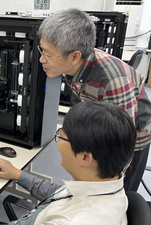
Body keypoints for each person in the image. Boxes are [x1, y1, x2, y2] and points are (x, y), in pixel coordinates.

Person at [0, 101, 136, 225]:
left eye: (61, 136)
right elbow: (60, 194)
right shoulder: (108, 182)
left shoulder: (74, 220)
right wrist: (18, 175)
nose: (58, 140)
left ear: (85, 158)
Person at [36, 8, 151, 191]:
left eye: (48, 55)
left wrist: (109, 185)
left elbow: (123, 141)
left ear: (74, 56)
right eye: (42, 51)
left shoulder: (113, 81)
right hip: (105, 129)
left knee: (121, 196)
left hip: (133, 140)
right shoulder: (74, 67)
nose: (41, 59)